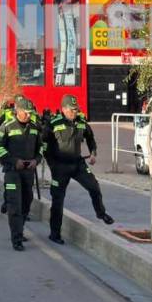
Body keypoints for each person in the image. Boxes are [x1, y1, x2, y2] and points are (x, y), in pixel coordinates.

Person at [43, 94, 114, 245]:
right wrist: (52, 164)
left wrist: (93, 152)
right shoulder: (53, 124)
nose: (74, 112)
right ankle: (54, 234)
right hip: (60, 167)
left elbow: (90, 138)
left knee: (94, 186)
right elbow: (43, 144)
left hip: (77, 164)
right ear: (63, 109)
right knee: (58, 201)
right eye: (71, 110)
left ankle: (101, 213)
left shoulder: (81, 123)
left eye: (76, 110)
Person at [0, 97, 43, 251]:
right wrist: (14, 161)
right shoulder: (6, 126)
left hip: (29, 171)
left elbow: (40, 147)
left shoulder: (34, 127)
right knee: (15, 205)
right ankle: (17, 239)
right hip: (12, 171)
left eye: (30, 113)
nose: (28, 115)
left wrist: (37, 160)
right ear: (18, 111)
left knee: (27, 201)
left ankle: (19, 229)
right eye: (26, 113)